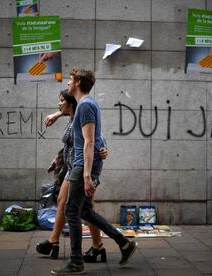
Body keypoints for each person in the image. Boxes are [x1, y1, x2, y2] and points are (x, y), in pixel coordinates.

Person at [51, 69, 137, 275]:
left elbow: (89, 141)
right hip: (83, 164)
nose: (68, 83)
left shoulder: (86, 105)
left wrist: (86, 175)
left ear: (78, 83)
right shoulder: (85, 105)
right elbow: (95, 137)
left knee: (71, 211)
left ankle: (76, 262)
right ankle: (124, 243)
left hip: (82, 165)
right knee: (85, 211)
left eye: (71, 80)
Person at [36, 89, 108, 262]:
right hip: (72, 167)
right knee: (75, 206)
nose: (59, 103)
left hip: (82, 168)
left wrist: (104, 148)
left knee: (77, 207)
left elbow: (93, 136)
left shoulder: (82, 113)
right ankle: (95, 246)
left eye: (62, 100)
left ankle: (59, 244)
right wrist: (57, 158)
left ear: (70, 103)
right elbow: (71, 144)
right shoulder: (71, 118)